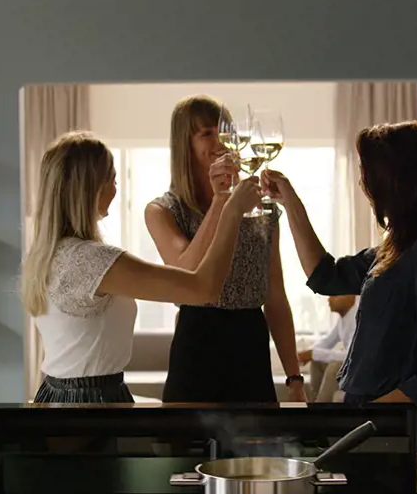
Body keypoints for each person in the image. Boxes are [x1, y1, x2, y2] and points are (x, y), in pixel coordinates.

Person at [262, 120, 417, 454]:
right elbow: (326, 276)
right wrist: (290, 201)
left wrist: (375, 412)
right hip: (373, 427)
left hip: (397, 434)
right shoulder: (397, 248)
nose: (365, 183)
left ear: (398, 178)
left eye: (369, 172)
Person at [21, 130, 261, 403]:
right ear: (91, 188)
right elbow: (204, 288)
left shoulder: (47, 255)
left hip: (56, 395)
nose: (116, 188)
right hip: (92, 406)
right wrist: (232, 212)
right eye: (113, 179)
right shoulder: (91, 261)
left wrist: (219, 202)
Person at [145, 95, 305, 404]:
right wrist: (222, 202)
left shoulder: (262, 208)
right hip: (197, 343)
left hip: (251, 343)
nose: (220, 141)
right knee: (186, 437)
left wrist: (294, 378)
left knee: (260, 437)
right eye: (206, 133)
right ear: (185, 145)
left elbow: (274, 294)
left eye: (224, 132)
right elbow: (184, 275)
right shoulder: (163, 210)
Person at [297, 294, 359, 402]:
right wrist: (307, 353)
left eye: (334, 296)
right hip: (352, 368)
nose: (329, 299)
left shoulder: (358, 318)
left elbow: (351, 357)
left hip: (360, 369)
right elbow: (327, 341)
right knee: (317, 361)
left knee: (335, 366)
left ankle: (322, 405)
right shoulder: (344, 318)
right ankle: (315, 402)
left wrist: (313, 353)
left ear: (350, 296)